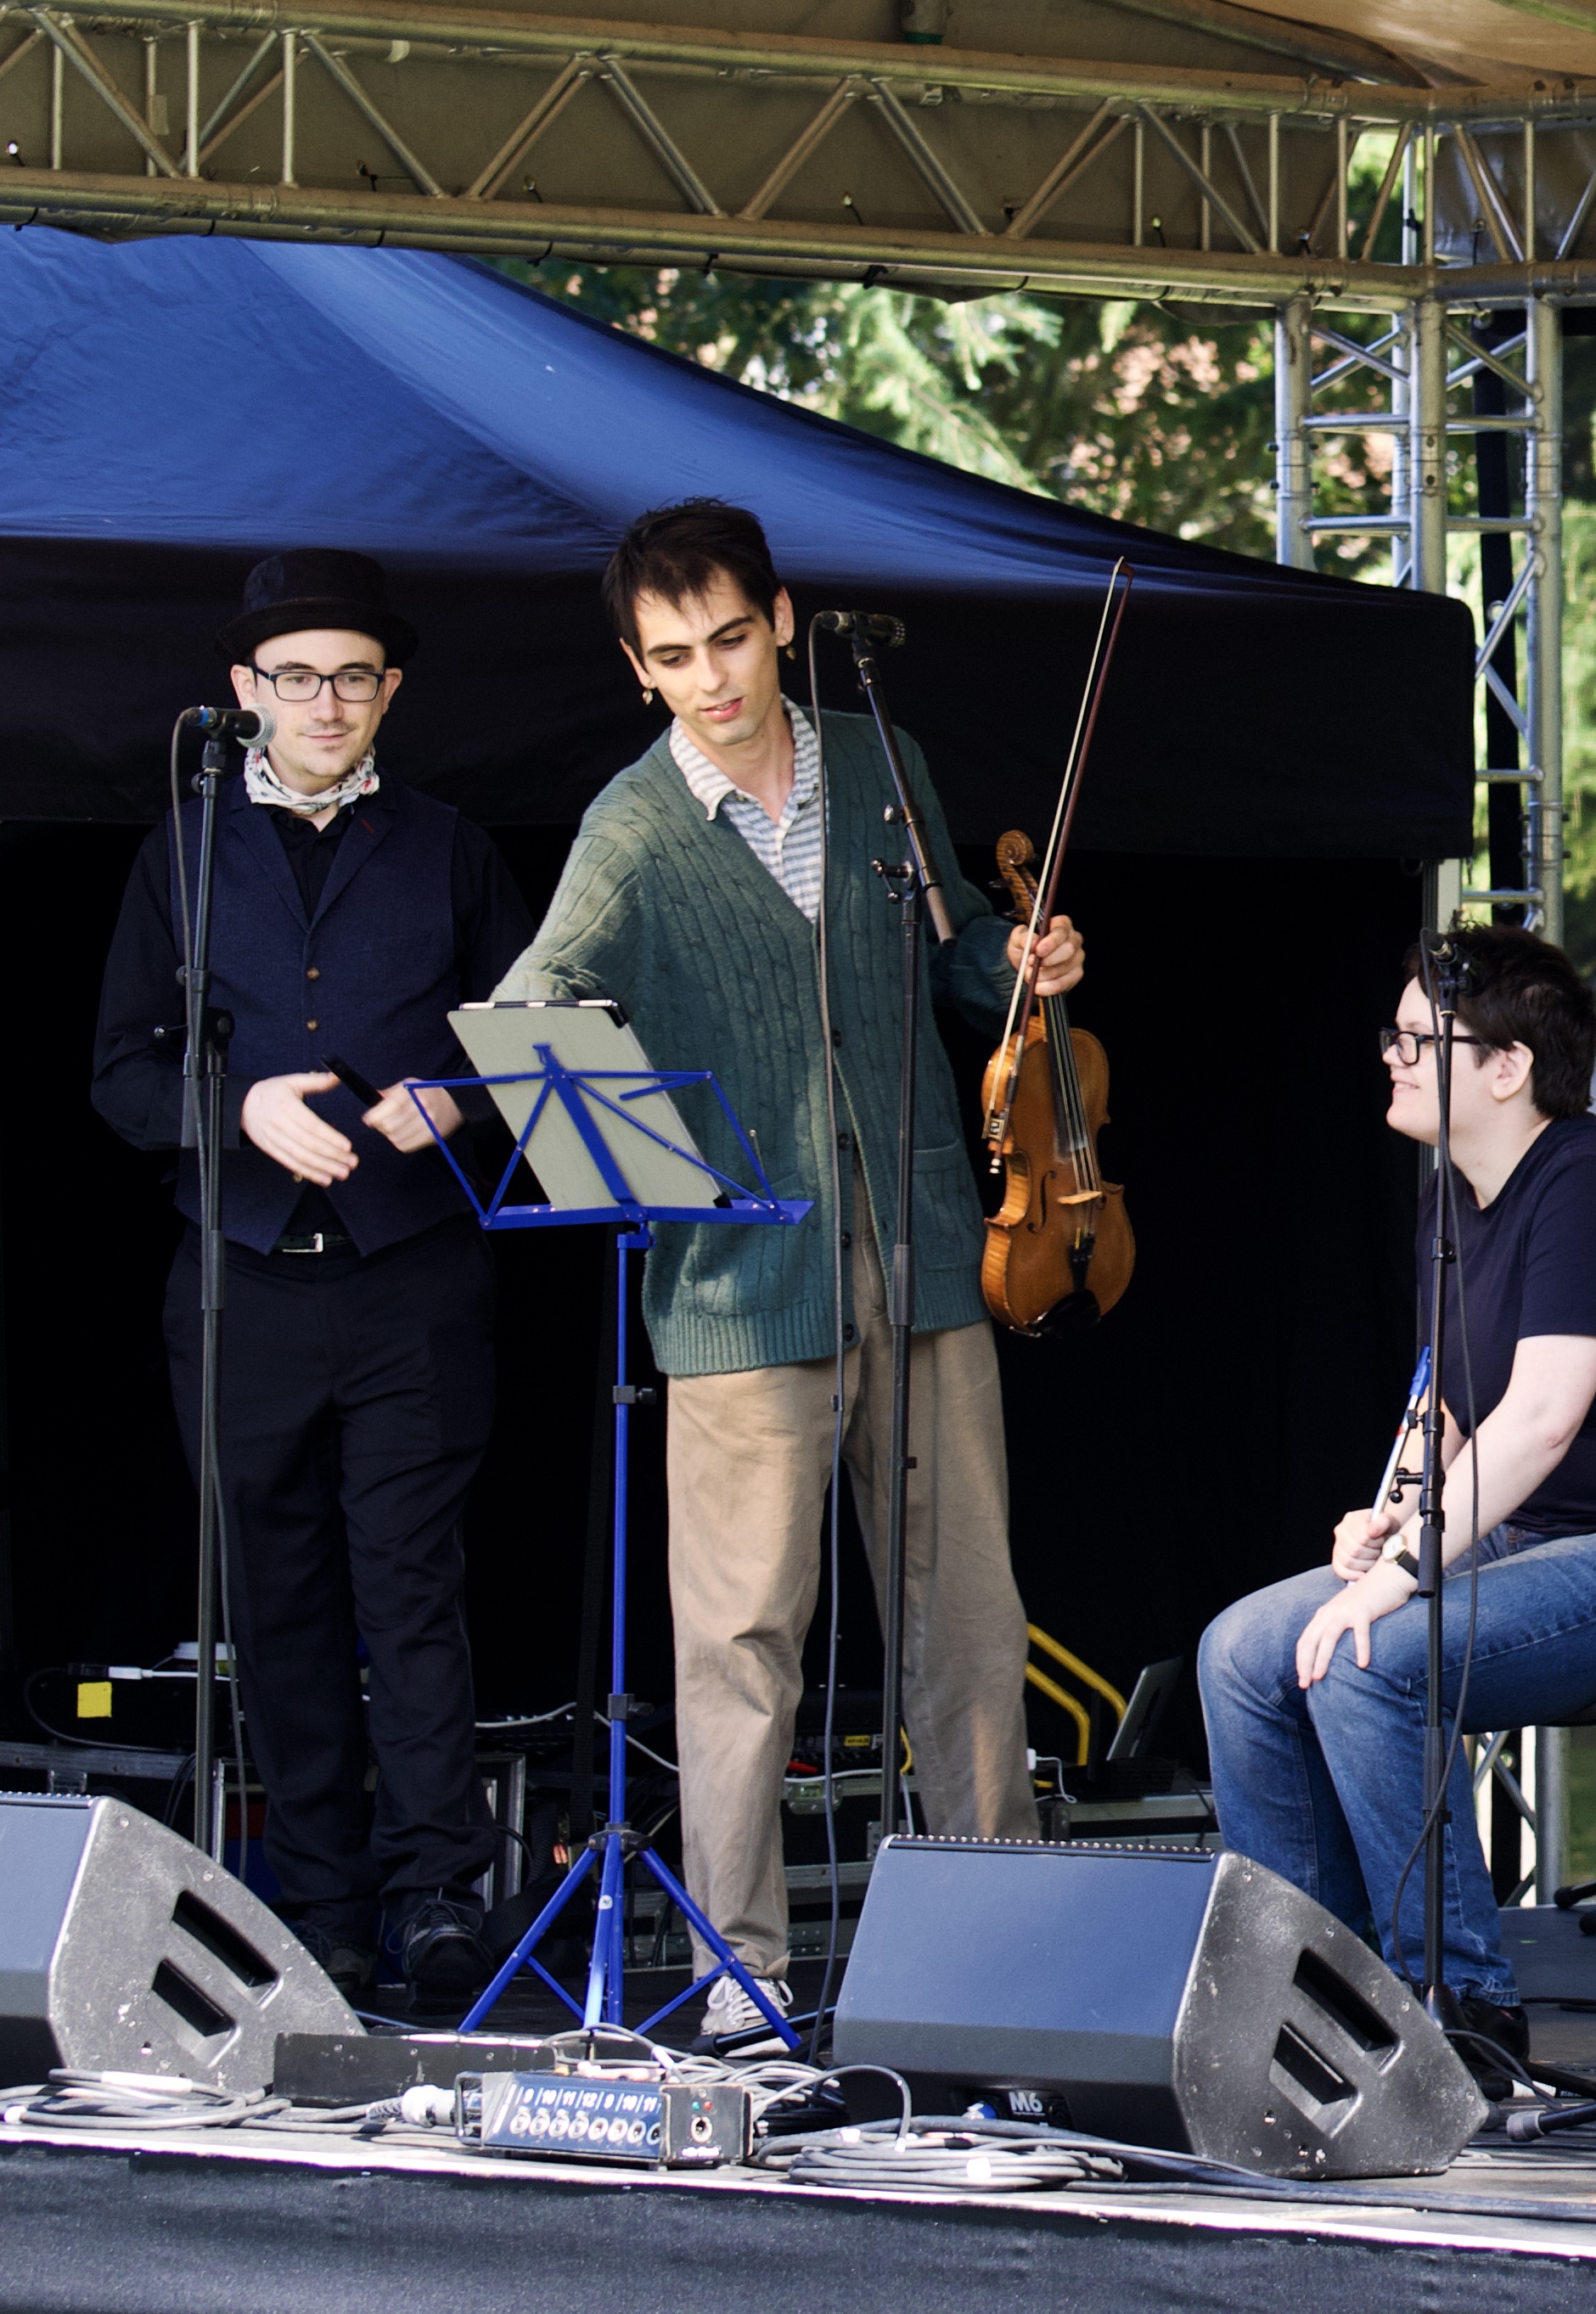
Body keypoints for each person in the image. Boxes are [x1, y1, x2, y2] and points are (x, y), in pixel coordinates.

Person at [492, 498, 1082, 2039]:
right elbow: (534, 997)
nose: (714, 679)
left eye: (734, 640)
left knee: (966, 1618)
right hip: (743, 1281)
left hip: (932, 1244)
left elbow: (951, 952)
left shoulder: (879, 764)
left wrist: (1010, 963)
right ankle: (739, 1975)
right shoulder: (634, 826)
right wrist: (650, 1155)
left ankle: (994, 1943)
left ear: (782, 619)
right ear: (638, 668)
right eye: (675, 657)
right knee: (742, 1639)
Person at [1196, 927, 1596, 2075]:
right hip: (1533, 1534)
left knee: (1373, 1654)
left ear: (1507, 1066)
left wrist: (1407, 1576)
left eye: (1421, 1038)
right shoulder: (1451, 1203)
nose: (1394, 1058)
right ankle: (1310, 1995)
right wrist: (1394, 1514)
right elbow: (1449, 1409)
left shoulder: (1591, 1186)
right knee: (1241, 1651)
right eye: (1394, 1035)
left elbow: (1542, 1417)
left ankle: (1453, 2010)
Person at [92, 549, 534, 2003]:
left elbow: (524, 1033)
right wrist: (236, 1108)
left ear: (390, 691)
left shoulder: (454, 845)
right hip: (242, 1283)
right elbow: (119, 1072)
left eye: (352, 675)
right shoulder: (184, 844)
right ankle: (323, 1910)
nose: (324, 700)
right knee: (276, 1606)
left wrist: (456, 1101)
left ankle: (433, 1900)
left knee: (412, 1594)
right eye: (295, 677)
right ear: (244, 693)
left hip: (416, 1276)